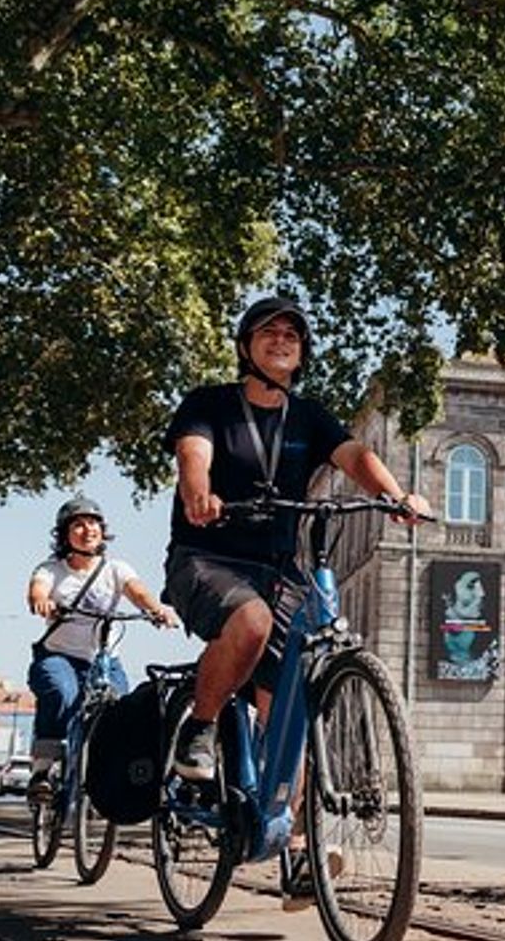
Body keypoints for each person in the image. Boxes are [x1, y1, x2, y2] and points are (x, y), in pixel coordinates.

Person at [162, 294, 429, 908]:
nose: (282, 339)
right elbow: (192, 455)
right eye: (268, 331)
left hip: (281, 567)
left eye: (292, 333)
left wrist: (397, 495)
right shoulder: (210, 405)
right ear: (246, 345)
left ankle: (302, 854)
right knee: (251, 624)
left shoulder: (309, 416)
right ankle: (199, 730)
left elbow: (355, 456)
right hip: (210, 558)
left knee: (290, 705)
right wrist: (199, 492)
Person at [25, 494, 175, 798]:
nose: (87, 529)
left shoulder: (116, 569)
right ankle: (43, 768)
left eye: (93, 523)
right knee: (61, 693)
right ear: (65, 534)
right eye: (78, 525)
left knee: (122, 712)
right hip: (60, 656)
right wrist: (42, 600)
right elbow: (37, 590)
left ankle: (105, 779)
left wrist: (156, 610)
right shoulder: (51, 569)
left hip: (104, 660)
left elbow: (138, 591)